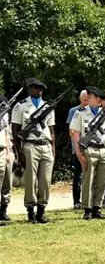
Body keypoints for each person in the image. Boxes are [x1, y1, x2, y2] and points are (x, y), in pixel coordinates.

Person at [10, 78, 56, 224]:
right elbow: (15, 131)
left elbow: (51, 130)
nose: (39, 91)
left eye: (41, 88)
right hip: (29, 145)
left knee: (46, 180)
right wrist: (19, 152)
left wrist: (53, 149)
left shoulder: (47, 106)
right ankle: (31, 211)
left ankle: (41, 211)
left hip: (45, 146)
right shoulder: (21, 106)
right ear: (29, 89)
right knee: (30, 180)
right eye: (36, 88)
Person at [70, 87, 105, 220]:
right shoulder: (80, 113)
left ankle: (97, 207)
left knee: (102, 180)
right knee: (88, 180)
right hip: (89, 149)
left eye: (97, 97)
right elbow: (75, 134)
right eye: (92, 97)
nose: (94, 99)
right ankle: (87, 208)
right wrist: (79, 155)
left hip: (104, 148)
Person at [64, 89, 87, 209]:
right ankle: (76, 201)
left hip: (91, 148)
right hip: (78, 148)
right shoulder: (74, 111)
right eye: (84, 100)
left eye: (88, 100)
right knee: (78, 176)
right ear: (80, 99)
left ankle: (88, 200)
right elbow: (71, 131)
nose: (87, 102)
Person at [0, 91, 11, 225]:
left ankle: (3, 210)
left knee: (6, 182)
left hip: (3, 147)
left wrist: (9, 152)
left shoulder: (3, 101)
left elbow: (6, 130)